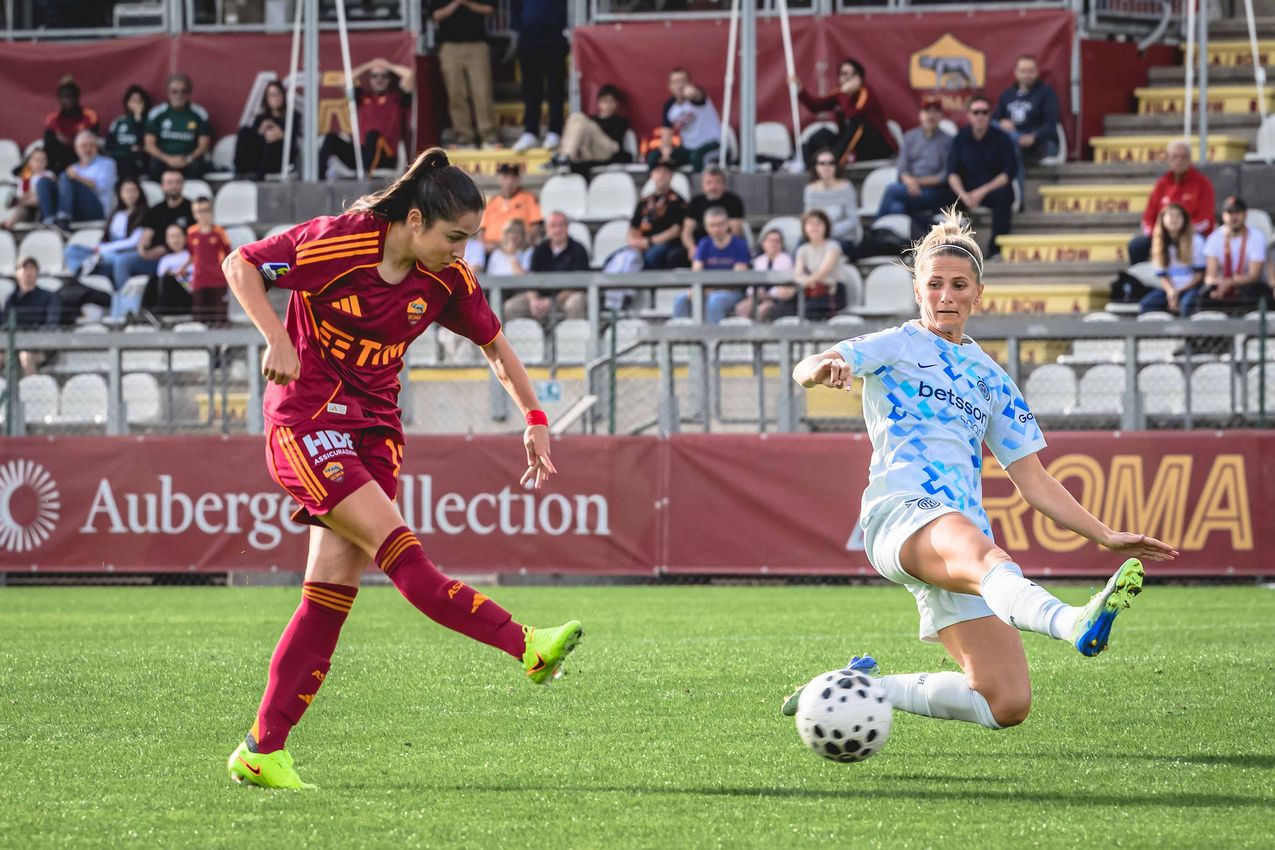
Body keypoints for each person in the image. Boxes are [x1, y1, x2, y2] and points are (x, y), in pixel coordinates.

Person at [221, 147, 584, 790]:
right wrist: (276, 336)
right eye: (454, 237)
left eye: (470, 239)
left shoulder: (445, 279)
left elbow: (495, 345)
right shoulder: (336, 245)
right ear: (414, 222)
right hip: (308, 423)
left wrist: (534, 418)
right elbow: (240, 263)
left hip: (376, 433)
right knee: (406, 558)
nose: (462, 251)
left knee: (328, 599)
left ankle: (262, 749)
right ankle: (525, 645)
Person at [784, 208, 1176, 733]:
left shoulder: (991, 378)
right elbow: (807, 365)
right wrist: (819, 369)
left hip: (957, 528)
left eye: (958, 285)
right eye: (935, 284)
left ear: (978, 294)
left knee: (1005, 701)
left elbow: (1033, 479)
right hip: (901, 511)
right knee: (981, 550)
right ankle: (1072, 620)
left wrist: (1103, 535)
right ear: (918, 291)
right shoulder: (897, 345)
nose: (946, 295)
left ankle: (857, 688)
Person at [319, 58, 414, 177]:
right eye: (375, 76)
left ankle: (364, 175)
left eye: (384, 76)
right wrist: (368, 65)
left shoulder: (397, 98)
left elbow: (410, 75)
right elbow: (343, 82)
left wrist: (388, 66)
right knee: (331, 138)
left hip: (386, 156)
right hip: (363, 155)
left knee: (373, 135)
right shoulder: (363, 98)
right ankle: (317, 177)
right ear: (370, 79)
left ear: (389, 79)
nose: (379, 80)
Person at [947, 96, 1017, 260]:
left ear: (989, 115)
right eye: (976, 112)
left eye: (984, 112)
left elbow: (1008, 173)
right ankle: (958, 248)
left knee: (1004, 194)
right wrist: (963, 194)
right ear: (969, 115)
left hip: (992, 189)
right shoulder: (960, 139)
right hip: (966, 190)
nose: (980, 116)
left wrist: (982, 192)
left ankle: (996, 249)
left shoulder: (1002, 138)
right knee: (945, 196)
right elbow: (952, 173)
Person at [108, 169, 194, 302]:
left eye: (177, 182)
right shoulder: (156, 210)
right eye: (169, 182)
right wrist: (142, 249)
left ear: (183, 185)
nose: (173, 186)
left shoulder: (191, 209)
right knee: (122, 261)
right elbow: (147, 234)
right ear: (163, 185)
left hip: (181, 257)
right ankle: (124, 306)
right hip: (155, 258)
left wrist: (166, 249)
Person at [793, 58, 895, 167]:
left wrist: (845, 95)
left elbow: (853, 115)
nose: (847, 77)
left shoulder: (866, 93)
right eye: (843, 73)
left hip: (875, 146)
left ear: (860, 78)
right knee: (822, 134)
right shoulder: (840, 94)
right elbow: (816, 106)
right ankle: (811, 168)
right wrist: (800, 89)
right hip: (850, 145)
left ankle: (834, 163)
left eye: (852, 74)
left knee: (858, 124)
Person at [1128, 140, 1215, 266]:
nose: (1179, 160)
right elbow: (1148, 217)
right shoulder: (1162, 184)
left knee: (1200, 244)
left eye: (1183, 157)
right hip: (1164, 236)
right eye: (1175, 157)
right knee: (1137, 245)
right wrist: (1159, 234)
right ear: (1168, 159)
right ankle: (1139, 283)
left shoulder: (1202, 184)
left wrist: (1182, 232)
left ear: (1190, 160)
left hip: (1192, 235)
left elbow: (1205, 220)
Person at [993, 55, 1061, 206]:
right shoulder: (1007, 95)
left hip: (1042, 145)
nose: (1027, 74)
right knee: (1004, 139)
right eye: (1023, 71)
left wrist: (1034, 136)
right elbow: (994, 121)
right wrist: (1002, 122)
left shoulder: (1046, 93)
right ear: (1015, 73)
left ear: (1037, 73)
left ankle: (1019, 200)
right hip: (1015, 141)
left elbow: (1051, 125)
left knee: (1011, 147)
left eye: (1030, 71)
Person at [878, 96, 954, 227]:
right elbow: (902, 168)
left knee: (891, 190)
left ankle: (876, 227)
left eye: (935, 112)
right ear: (920, 115)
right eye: (927, 111)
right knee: (897, 208)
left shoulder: (948, 141)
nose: (931, 116)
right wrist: (911, 183)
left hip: (933, 191)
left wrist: (918, 182)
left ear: (941, 116)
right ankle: (897, 244)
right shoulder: (910, 137)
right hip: (909, 189)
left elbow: (944, 175)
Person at [431, 0, 498, 149]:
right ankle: (464, 136)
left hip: (477, 45)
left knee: (482, 91)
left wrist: (467, 3)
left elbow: (490, 9)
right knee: (455, 92)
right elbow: (436, 15)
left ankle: (488, 134)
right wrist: (456, 3)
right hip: (449, 47)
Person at [506, 210, 589, 323]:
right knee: (512, 307)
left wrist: (550, 302)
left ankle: (573, 339)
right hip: (542, 297)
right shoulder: (540, 250)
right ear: (546, 229)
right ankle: (523, 340)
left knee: (577, 301)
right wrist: (533, 300)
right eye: (553, 226)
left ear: (567, 227)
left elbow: (579, 286)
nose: (557, 230)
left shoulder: (578, 249)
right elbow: (531, 280)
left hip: (566, 298)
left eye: (561, 225)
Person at [672, 206, 751, 323]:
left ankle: (713, 339)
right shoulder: (704, 244)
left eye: (720, 224)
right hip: (706, 289)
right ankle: (682, 339)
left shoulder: (739, 244)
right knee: (681, 299)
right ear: (706, 227)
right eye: (712, 225)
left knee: (715, 300)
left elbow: (737, 280)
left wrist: (710, 289)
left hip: (733, 292)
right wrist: (698, 290)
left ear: (727, 224)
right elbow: (696, 272)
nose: (716, 229)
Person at [511, 0, 569, 152]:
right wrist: (519, 28)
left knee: (555, 86)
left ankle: (555, 131)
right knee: (530, 88)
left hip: (554, 34)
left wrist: (566, 27)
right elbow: (515, 6)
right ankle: (531, 132)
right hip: (528, 36)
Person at [771, 209, 848, 321]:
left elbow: (821, 273)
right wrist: (792, 289)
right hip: (809, 291)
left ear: (826, 226)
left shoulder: (833, 246)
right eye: (810, 224)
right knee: (779, 309)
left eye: (818, 223)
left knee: (808, 311)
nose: (814, 227)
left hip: (831, 292)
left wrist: (796, 288)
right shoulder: (802, 249)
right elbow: (797, 275)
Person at [64, 177, 148, 276]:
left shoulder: (145, 214)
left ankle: (89, 267)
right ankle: (82, 269)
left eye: (133, 191)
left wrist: (104, 249)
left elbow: (133, 242)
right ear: (120, 193)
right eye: (127, 191)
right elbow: (106, 237)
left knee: (114, 259)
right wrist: (100, 247)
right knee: (72, 249)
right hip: (106, 250)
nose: (130, 194)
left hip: (125, 252)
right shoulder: (116, 214)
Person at [1199, 197, 1271, 313]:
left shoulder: (1256, 237)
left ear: (1245, 215)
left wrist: (1231, 282)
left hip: (1247, 285)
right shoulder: (1214, 238)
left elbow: (1254, 276)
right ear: (1223, 216)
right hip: (1222, 283)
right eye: (1230, 213)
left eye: (1237, 212)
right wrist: (1219, 285)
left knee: (1252, 293)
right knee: (1205, 294)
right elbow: (1209, 276)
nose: (1233, 217)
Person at [36, 130, 117, 233]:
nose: (87, 149)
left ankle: (63, 219)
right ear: (76, 149)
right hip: (75, 210)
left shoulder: (107, 164)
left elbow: (101, 187)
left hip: (97, 210)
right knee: (44, 182)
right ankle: (49, 221)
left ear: (96, 148)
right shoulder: (73, 168)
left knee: (66, 177)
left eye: (91, 146)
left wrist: (77, 178)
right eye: (83, 146)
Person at [646, 69, 722, 172]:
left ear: (690, 83)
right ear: (670, 86)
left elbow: (697, 95)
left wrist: (692, 92)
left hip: (712, 145)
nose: (680, 85)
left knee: (697, 157)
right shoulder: (670, 106)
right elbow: (666, 134)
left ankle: (700, 188)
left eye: (683, 81)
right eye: (676, 82)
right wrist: (666, 151)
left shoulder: (698, 98)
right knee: (654, 157)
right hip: (688, 148)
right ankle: (659, 186)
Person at [1137, 204, 1206, 316]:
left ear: (1184, 219)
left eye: (1178, 216)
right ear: (1162, 219)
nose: (1174, 219)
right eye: (1170, 216)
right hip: (1170, 288)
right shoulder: (1159, 243)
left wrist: (1179, 291)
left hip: (1191, 287)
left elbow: (1199, 275)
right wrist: (1171, 291)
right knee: (1146, 305)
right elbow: (1162, 275)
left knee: (1186, 305)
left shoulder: (1196, 241)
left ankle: (1187, 333)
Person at [144, 73, 213, 180]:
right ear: (168, 92)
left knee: (196, 167)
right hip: (163, 159)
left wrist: (187, 159)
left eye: (183, 91)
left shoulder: (200, 114)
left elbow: (203, 145)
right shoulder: (156, 113)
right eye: (174, 91)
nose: (179, 95)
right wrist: (168, 159)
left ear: (189, 92)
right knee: (154, 166)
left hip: (189, 159)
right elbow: (149, 145)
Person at [0, 257, 60, 375]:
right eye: (24, 268)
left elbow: (51, 325)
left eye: (32, 268)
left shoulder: (49, 297)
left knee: (26, 356)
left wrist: (31, 339)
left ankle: (31, 391)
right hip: (13, 345)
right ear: (17, 273)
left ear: (37, 273)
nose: (28, 272)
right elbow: (5, 325)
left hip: (39, 347)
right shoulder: (10, 300)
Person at [553, 84, 632, 170]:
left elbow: (614, 142)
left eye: (611, 101)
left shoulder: (620, 121)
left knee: (580, 118)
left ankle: (564, 157)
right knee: (575, 118)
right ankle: (564, 155)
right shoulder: (592, 119)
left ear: (616, 104)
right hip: (590, 150)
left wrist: (590, 127)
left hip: (609, 149)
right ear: (599, 103)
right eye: (605, 101)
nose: (608, 105)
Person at [628, 158, 687, 270]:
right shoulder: (643, 201)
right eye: (657, 171)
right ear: (652, 175)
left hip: (665, 244)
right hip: (641, 243)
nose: (661, 175)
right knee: (620, 257)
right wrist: (634, 242)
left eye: (665, 172)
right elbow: (632, 227)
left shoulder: (678, 202)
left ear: (671, 176)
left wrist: (649, 242)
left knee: (652, 256)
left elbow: (676, 230)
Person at [235, 80, 301, 180]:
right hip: (260, 155)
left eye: (277, 94)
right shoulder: (262, 117)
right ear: (266, 98)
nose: (274, 98)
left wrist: (280, 134)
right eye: (271, 95)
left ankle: (260, 172)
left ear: (283, 96)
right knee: (244, 131)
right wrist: (260, 131)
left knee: (271, 137)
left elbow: (293, 138)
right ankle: (241, 170)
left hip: (282, 155)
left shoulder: (292, 116)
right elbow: (254, 139)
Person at [803, 149, 861, 257]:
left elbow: (852, 220)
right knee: (799, 249)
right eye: (822, 163)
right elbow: (808, 218)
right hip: (816, 237)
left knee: (827, 252)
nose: (826, 167)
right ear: (816, 167)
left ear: (836, 166)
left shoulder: (846, 187)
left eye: (831, 163)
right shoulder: (810, 190)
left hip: (843, 238)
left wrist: (827, 232)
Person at [681, 166, 745, 261]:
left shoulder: (734, 201)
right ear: (703, 185)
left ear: (724, 184)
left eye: (717, 183)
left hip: (726, 245)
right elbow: (687, 232)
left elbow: (736, 231)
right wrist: (692, 248)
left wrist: (720, 249)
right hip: (698, 245)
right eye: (709, 183)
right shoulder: (695, 202)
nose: (713, 187)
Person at [186, 196, 233, 324]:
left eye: (205, 210)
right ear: (194, 213)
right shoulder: (191, 232)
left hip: (217, 280)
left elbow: (228, 254)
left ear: (211, 211)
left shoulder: (219, 232)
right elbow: (191, 255)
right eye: (198, 211)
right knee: (199, 318)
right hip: (199, 280)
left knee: (220, 318)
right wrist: (182, 270)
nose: (202, 215)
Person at [43, 76, 100, 173]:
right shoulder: (53, 119)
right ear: (59, 99)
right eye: (64, 97)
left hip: (81, 158)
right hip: (59, 159)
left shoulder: (89, 116)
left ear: (77, 97)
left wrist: (69, 140)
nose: (68, 101)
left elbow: (92, 140)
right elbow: (48, 144)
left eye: (71, 96)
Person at [735, 227, 795, 319]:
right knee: (741, 308)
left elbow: (784, 286)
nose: (773, 244)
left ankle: (758, 333)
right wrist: (755, 292)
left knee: (761, 310)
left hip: (776, 299)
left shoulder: (786, 260)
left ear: (781, 244)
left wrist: (768, 294)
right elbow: (752, 284)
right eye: (770, 241)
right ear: (764, 244)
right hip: (757, 297)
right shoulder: (759, 261)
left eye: (777, 241)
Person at [479, 164, 543, 250]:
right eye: (506, 176)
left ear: (518, 180)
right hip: (492, 249)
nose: (509, 180)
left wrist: (523, 243)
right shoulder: (492, 202)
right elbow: (481, 231)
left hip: (518, 248)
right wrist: (484, 246)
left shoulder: (529, 198)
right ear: (499, 178)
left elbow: (536, 227)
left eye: (513, 177)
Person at [141, 223, 193, 316]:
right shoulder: (164, 260)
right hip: (167, 296)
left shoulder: (191, 256)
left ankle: (160, 313)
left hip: (185, 295)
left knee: (168, 279)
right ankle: (144, 313)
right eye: (172, 237)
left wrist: (174, 274)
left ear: (185, 237)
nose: (175, 240)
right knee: (153, 277)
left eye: (178, 236)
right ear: (167, 240)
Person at [105, 85, 152, 181]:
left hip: (139, 160)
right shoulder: (119, 121)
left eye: (139, 101)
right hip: (120, 159)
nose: (136, 104)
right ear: (127, 103)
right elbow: (109, 144)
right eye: (133, 101)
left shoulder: (150, 121)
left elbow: (143, 142)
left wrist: (138, 120)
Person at [2, 148, 53, 230]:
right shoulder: (25, 178)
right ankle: (8, 223)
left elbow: (44, 195)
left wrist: (31, 197)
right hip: (27, 208)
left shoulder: (48, 175)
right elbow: (21, 197)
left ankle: (8, 223)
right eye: (36, 160)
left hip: (42, 208)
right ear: (29, 161)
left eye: (42, 161)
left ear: (46, 163)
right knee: (22, 209)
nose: (39, 163)